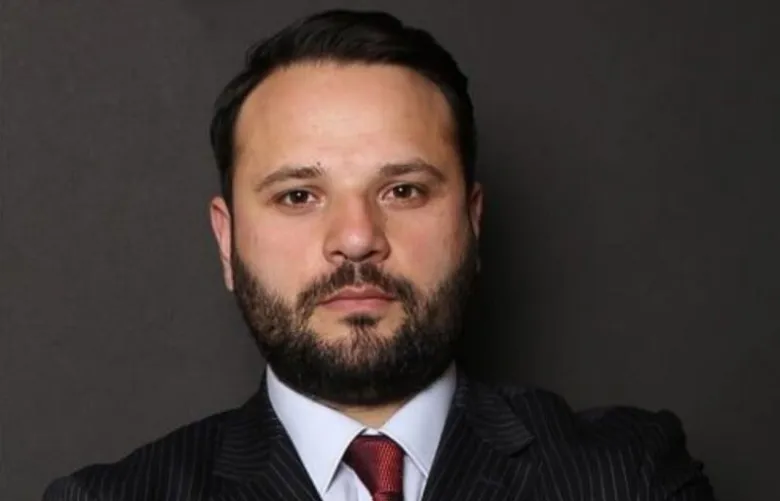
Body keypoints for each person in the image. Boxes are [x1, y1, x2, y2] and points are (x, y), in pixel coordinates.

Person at [44, 9, 715, 501]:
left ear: (472, 222)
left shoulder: (628, 474)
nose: (358, 236)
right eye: (299, 195)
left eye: (403, 189)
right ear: (227, 240)